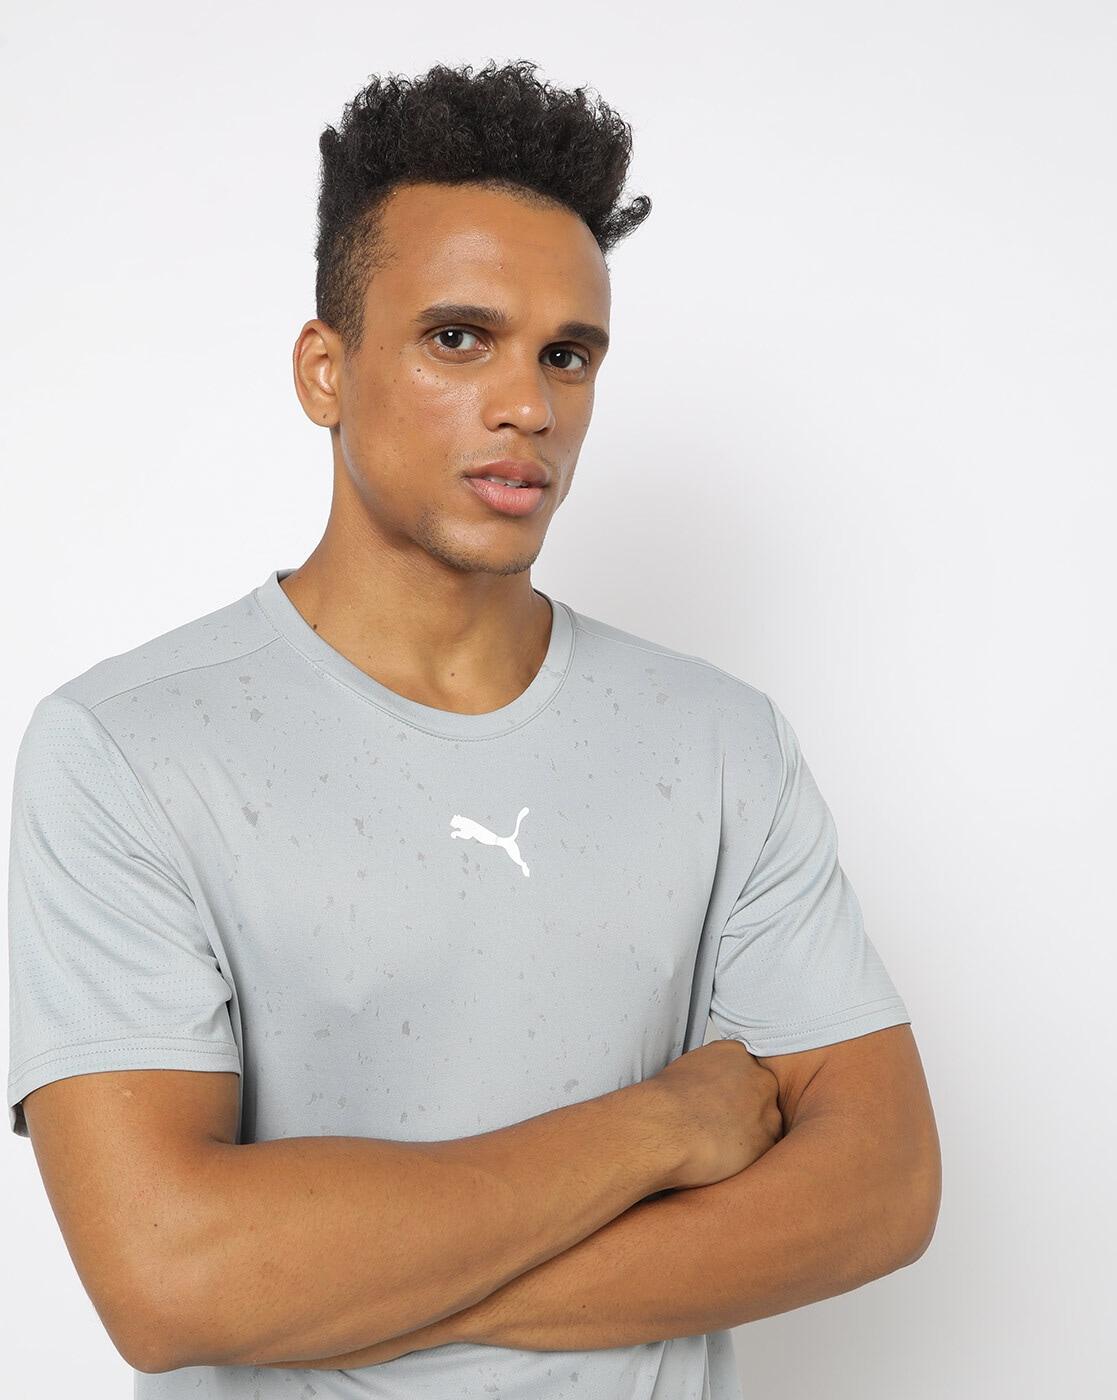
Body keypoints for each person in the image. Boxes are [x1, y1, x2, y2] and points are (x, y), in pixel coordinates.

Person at [6, 57, 939, 1399]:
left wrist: (342, 1290)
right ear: (324, 371)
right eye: (459, 339)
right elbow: (171, 1280)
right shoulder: (126, 750)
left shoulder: (721, 743)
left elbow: (880, 1191)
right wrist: (656, 1127)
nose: (529, 406)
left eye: (568, 355)